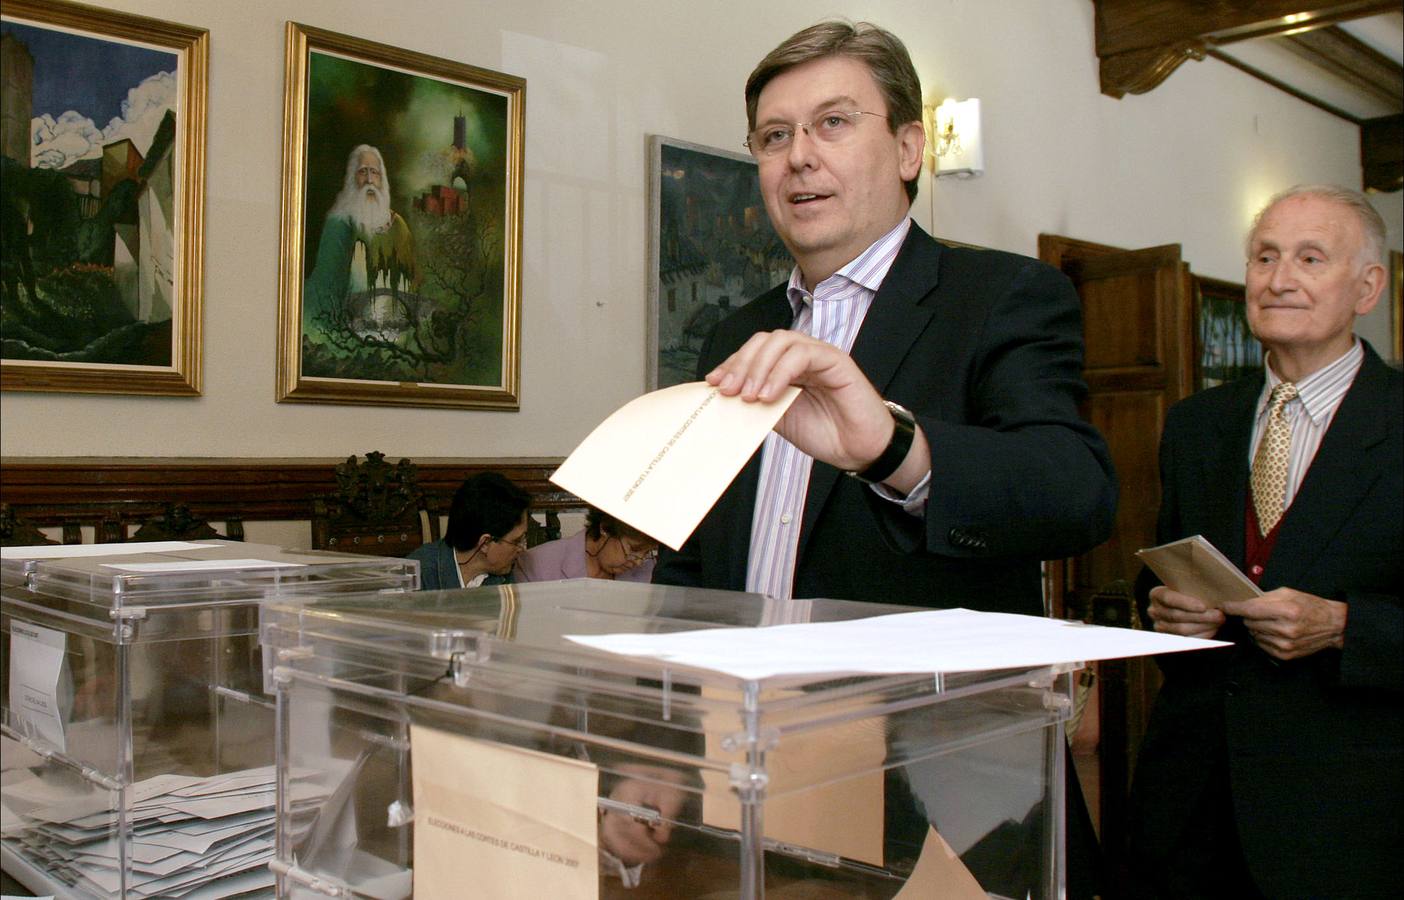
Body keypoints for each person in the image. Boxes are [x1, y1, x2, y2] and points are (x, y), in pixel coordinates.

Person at [650, 20, 1116, 897]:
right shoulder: (731, 330)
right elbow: (693, 551)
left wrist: (894, 448)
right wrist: (663, 744)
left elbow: (1076, 492)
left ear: (908, 147)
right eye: (774, 137)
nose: (799, 158)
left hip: (949, 801)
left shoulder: (1003, 297)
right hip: (755, 783)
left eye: (832, 124)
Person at [1128, 185, 1401, 898]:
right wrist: (1163, 610)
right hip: (1192, 810)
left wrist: (1345, 627)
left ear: (1368, 286)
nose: (1279, 280)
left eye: (1310, 259)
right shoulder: (1195, 425)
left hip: (1352, 819)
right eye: (1265, 257)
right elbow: (1163, 571)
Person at [304, 144, 419, 321]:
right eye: (362, 172)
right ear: (352, 179)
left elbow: (413, 280)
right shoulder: (339, 223)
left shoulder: (398, 226)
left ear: (382, 180)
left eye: (374, 172)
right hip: (343, 320)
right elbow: (326, 284)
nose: (369, 180)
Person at [408, 472, 530, 590]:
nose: (522, 548)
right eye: (517, 541)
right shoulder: (418, 574)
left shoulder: (503, 575)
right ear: (485, 543)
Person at [514, 507, 658, 583]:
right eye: (634, 549)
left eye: (647, 553)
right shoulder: (536, 564)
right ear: (605, 529)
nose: (639, 561)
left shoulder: (648, 570)